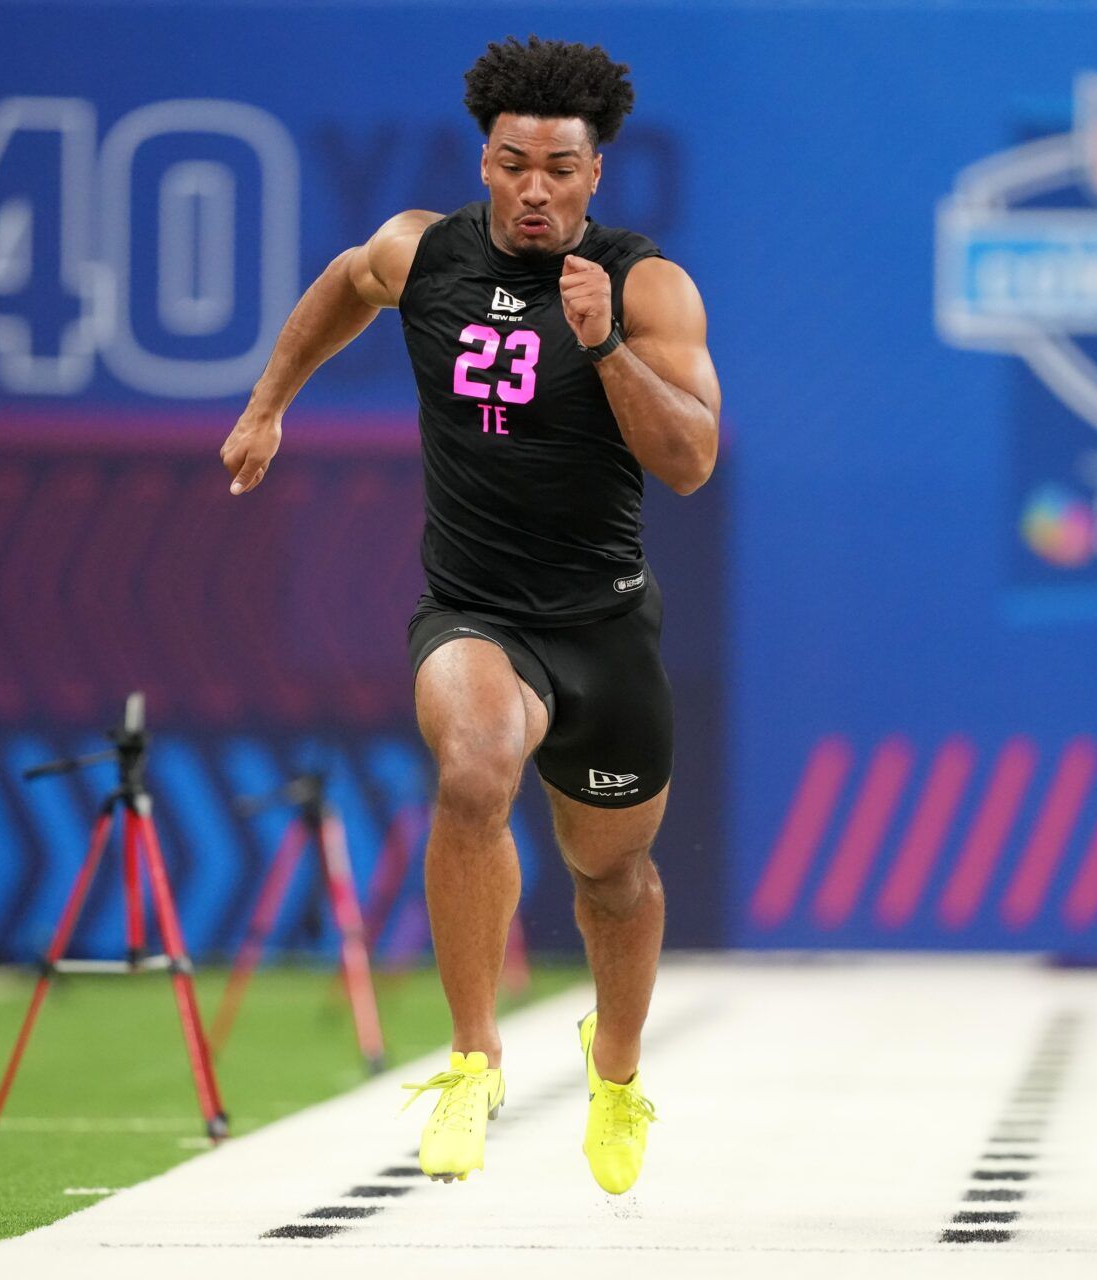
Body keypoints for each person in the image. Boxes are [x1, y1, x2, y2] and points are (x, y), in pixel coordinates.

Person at [220, 35, 720, 1195]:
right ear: (484, 162)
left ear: (596, 174)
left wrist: (602, 345)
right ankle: (472, 1058)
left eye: (559, 168)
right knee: (474, 770)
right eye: (511, 164)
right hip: (476, 608)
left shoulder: (646, 286)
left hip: (603, 625)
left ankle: (616, 1070)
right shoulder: (423, 249)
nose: (534, 189)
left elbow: (691, 459)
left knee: (613, 878)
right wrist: (267, 405)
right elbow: (347, 282)